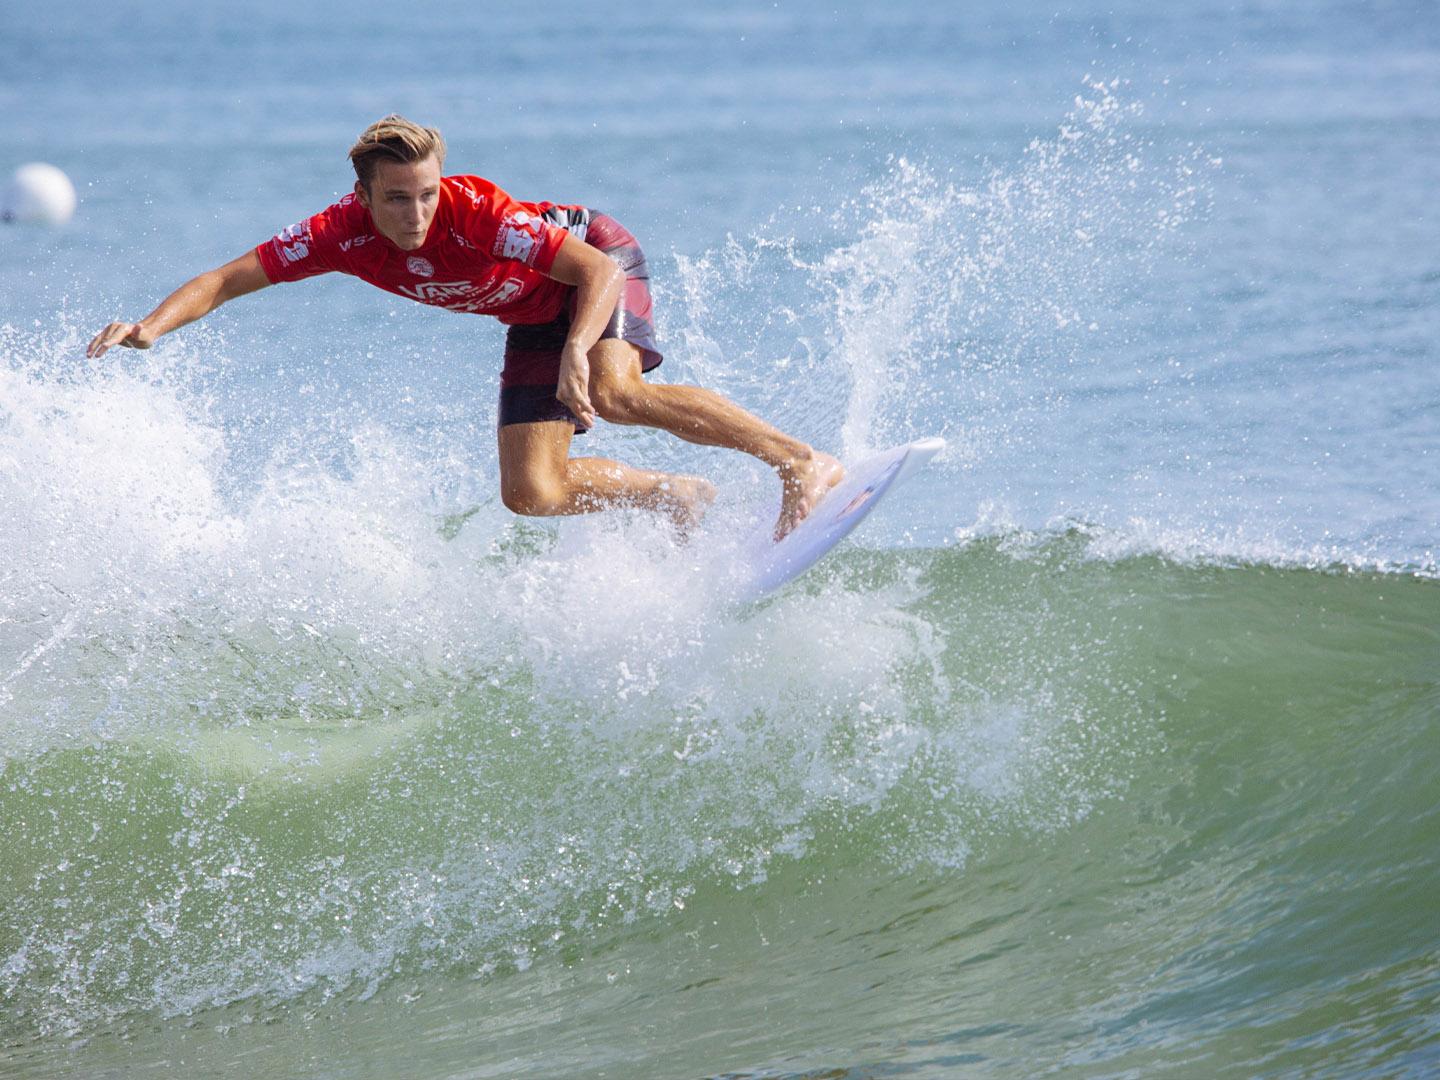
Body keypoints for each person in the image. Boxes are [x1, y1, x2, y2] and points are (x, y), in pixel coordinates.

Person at [87, 115, 843, 539]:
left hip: (590, 265)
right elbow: (226, 278)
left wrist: (579, 351)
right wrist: (151, 327)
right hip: (531, 313)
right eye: (396, 200)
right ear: (363, 196)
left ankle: (799, 460)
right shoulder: (335, 235)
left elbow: (595, 273)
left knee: (612, 393)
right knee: (532, 493)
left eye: (425, 194)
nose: (416, 215)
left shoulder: (479, 214)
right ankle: (674, 494)